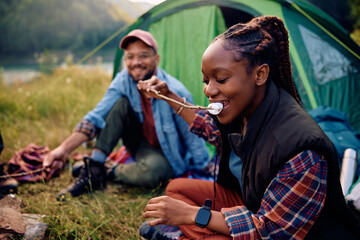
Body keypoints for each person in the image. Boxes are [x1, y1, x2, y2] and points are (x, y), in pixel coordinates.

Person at [138, 16, 360, 239]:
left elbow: (273, 230)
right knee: (176, 190)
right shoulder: (243, 106)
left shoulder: (302, 148)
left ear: (260, 74)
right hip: (251, 203)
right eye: (206, 80)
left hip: (284, 230)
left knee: (192, 216)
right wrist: (168, 95)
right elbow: (209, 128)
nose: (209, 91)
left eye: (221, 79)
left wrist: (195, 215)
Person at [43, 29, 210, 199]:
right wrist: (63, 149)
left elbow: (192, 133)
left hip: (166, 154)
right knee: (119, 104)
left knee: (156, 172)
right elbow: (97, 116)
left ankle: (107, 170)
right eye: (130, 57)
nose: (136, 62)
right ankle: (95, 167)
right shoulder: (123, 80)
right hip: (138, 143)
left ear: (156, 59)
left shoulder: (175, 91)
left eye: (143, 56)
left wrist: (203, 166)